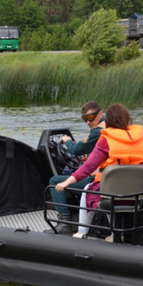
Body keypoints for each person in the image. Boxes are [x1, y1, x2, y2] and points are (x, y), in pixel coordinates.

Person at [55, 103, 143, 238]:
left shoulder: (106, 139)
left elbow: (88, 167)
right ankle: (118, 234)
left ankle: (82, 232)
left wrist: (66, 183)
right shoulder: (138, 138)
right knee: (108, 194)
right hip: (136, 190)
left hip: (112, 189)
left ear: (108, 120)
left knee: (89, 191)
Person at [47, 101, 105, 235]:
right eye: (85, 119)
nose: (88, 122)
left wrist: (66, 140)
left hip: (95, 180)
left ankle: (64, 223)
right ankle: (74, 217)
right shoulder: (111, 129)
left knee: (55, 181)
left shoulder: (98, 132)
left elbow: (76, 150)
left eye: (91, 118)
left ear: (100, 114)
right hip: (107, 179)